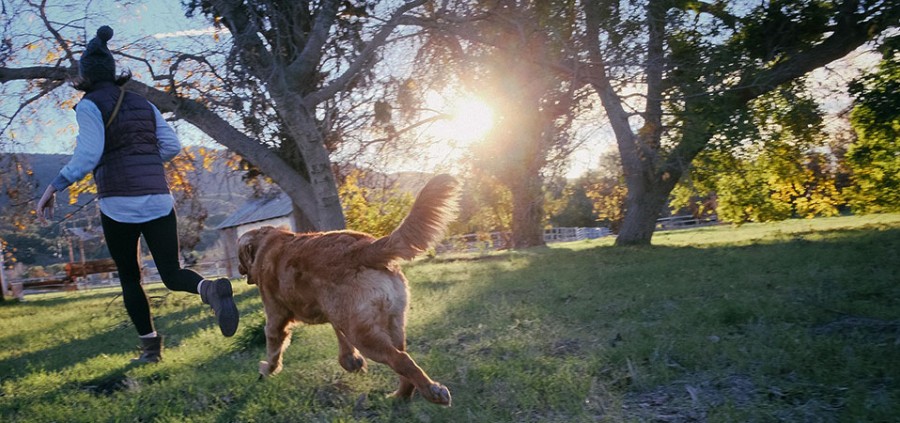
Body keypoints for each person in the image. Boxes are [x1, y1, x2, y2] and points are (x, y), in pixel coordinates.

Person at [35, 26, 239, 363]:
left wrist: (53, 186)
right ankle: (209, 289)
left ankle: (150, 351)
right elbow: (172, 146)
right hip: (159, 198)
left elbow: (88, 156)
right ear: (113, 72)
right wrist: (143, 159)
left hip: (119, 204)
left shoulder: (88, 106)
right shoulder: (142, 102)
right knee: (172, 273)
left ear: (84, 76)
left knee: (131, 278)